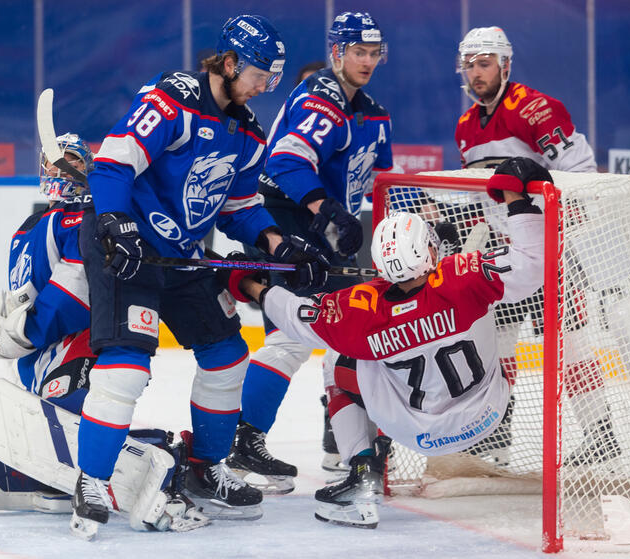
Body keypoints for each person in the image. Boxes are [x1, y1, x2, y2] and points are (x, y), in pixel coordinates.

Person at [73, 14, 330, 538]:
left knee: (228, 355)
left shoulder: (248, 133)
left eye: (272, 80)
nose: (263, 88)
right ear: (229, 63)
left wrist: (279, 243)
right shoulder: (174, 98)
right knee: (126, 368)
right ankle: (92, 480)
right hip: (129, 247)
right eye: (259, 76)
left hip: (183, 255)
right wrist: (116, 221)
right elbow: (114, 163)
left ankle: (205, 468)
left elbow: (239, 208)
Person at [220, 158, 548, 528]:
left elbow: (295, 316)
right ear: (430, 252)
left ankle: (362, 468)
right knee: (487, 317)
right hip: (487, 414)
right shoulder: (465, 275)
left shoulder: (361, 309)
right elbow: (532, 264)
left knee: (338, 358)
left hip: (414, 433)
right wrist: (516, 199)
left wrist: (248, 283)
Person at [0, 134, 206, 534]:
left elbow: (74, 294)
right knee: (52, 425)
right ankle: (56, 471)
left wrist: (24, 333)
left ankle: (167, 458)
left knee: (71, 418)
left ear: (89, 169)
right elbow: (30, 290)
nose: (61, 168)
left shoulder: (85, 218)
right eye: (55, 160)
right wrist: (3, 315)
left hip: (78, 342)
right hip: (39, 352)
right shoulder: (33, 225)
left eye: (72, 160)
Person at [225, 11, 394, 491]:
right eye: (357, 51)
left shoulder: (374, 113)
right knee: (292, 338)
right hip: (288, 220)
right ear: (337, 53)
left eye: (373, 53)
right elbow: (286, 161)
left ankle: (344, 443)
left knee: (351, 334)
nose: (366, 61)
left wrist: (416, 218)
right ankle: (243, 445)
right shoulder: (320, 96)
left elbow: (384, 181)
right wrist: (329, 211)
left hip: (326, 227)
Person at [453, 26, 619, 467]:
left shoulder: (535, 108)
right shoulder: (466, 127)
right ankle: (496, 434)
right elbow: (480, 196)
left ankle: (601, 437)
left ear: (505, 65)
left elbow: (580, 174)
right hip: (503, 255)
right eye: (469, 65)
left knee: (570, 344)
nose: (476, 73)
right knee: (496, 344)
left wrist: (559, 232)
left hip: (549, 250)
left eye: (484, 63)